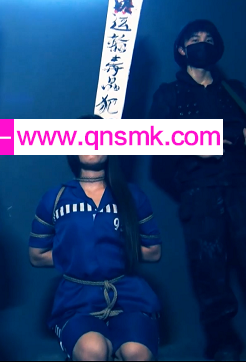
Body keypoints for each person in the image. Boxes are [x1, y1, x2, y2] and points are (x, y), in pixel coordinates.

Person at [148, 20, 246, 361]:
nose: (202, 43)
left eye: (208, 39)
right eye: (194, 39)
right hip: (199, 191)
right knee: (209, 273)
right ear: (181, 48)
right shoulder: (168, 94)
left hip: (243, 188)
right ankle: (223, 346)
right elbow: (154, 139)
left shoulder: (236, 90)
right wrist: (190, 147)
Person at [29, 115, 163, 362]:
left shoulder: (132, 196)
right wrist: (77, 255)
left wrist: (115, 251)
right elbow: (36, 256)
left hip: (128, 295)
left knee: (137, 353)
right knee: (94, 350)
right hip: (76, 299)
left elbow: (154, 251)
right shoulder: (55, 198)